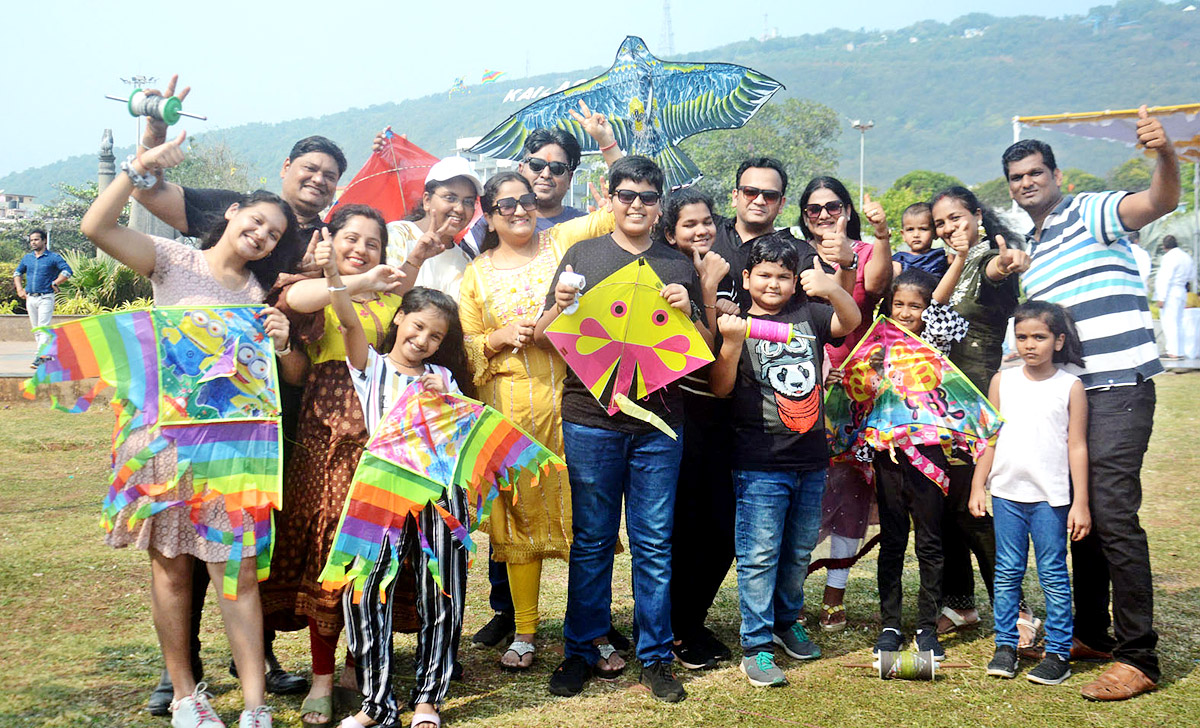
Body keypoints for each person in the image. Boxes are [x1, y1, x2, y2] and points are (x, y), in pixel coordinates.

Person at [80, 132, 306, 728]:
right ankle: (185, 696)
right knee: (172, 570)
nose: (260, 237)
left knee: (236, 573)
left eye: (272, 235)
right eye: (255, 222)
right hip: (164, 445)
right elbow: (96, 229)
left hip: (232, 459)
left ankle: (255, 706)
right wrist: (138, 168)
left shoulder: (260, 296)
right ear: (231, 214)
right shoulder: (171, 260)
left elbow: (275, 377)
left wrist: (281, 344)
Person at [132, 75, 342, 711]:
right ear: (285, 169)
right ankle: (182, 674)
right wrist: (154, 135)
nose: (319, 181)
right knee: (183, 550)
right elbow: (154, 191)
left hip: (272, 413)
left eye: (330, 175)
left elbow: (341, 292)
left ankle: (259, 661)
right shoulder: (233, 208)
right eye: (310, 169)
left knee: (246, 552)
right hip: (194, 413)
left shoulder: (325, 239)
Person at [1004, 107, 1179, 701]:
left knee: (1111, 513)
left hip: (1120, 386)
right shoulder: (1032, 248)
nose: (1026, 183)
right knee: (1079, 511)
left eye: (1035, 172)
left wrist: (1164, 154)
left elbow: (1155, 203)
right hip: (1071, 398)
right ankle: (1090, 633)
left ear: (1058, 176)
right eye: (1016, 177)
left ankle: (1140, 656)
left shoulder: (1092, 211)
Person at [536, 155, 707, 702]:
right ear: (608, 198)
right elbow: (544, 334)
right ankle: (580, 649)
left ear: (660, 205)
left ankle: (654, 657)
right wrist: (560, 306)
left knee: (655, 543)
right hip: (591, 419)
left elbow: (702, 346)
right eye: (626, 194)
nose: (637, 204)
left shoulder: (677, 263)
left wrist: (689, 310)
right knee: (593, 539)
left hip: (660, 424)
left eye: (648, 196)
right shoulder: (583, 254)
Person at [258, 205, 415, 725]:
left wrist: (414, 257)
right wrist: (351, 277)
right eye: (352, 238)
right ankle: (322, 676)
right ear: (332, 241)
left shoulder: (393, 300)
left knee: (372, 547)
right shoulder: (312, 289)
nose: (361, 249)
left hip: (381, 429)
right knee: (326, 549)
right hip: (326, 431)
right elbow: (297, 299)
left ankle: (358, 662)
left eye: (373, 242)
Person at [457, 171, 615, 671]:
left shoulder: (560, 242)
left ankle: (594, 627)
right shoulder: (476, 274)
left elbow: (616, 213)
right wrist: (498, 337)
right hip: (509, 409)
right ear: (489, 212)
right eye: (506, 205)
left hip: (573, 400)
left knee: (588, 517)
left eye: (526, 201)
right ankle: (525, 631)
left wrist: (608, 146)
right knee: (520, 515)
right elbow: (466, 347)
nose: (520, 210)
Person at [325, 268, 472, 728]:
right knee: (366, 594)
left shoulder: (445, 377)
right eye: (418, 326)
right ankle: (376, 704)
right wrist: (334, 275)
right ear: (400, 317)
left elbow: (463, 435)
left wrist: (446, 400)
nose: (424, 339)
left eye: (436, 335)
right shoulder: (371, 366)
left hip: (439, 496)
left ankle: (428, 699)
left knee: (442, 595)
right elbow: (348, 322)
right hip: (380, 495)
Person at [709, 235, 859, 687]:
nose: (773, 284)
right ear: (747, 278)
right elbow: (720, 388)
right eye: (765, 275)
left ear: (796, 282)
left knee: (797, 551)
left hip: (811, 459)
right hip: (758, 463)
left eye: (784, 276)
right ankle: (756, 644)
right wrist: (731, 343)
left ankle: (785, 621)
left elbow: (849, 321)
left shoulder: (809, 314)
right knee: (758, 554)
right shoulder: (734, 323)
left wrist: (832, 287)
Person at [928, 186, 1036, 645]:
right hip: (945, 402)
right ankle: (959, 603)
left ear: (976, 215)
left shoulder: (990, 256)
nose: (950, 228)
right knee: (945, 506)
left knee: (978, 510)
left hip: (982, 402)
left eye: (956, 218)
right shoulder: (951, 264)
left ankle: (1016, 608)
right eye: (941, 224)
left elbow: (1000, 270)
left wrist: (1008, 263)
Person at [842, 269, 965, 663]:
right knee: (893, 541)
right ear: (888, 305)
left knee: (930, 542)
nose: (908, 312)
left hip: (928, 453)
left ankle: (927, 628)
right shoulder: (877, 346)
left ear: (928, 310)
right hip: (887, 455)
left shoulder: (935, 342)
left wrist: (960, 258)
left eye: (917, 305)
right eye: (900, 304)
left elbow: (943, 313)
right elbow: (860, 388)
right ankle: (891, 625)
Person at [790, 178, 892, 631]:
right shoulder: (793, 256)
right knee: (802, 491)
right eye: (813, 209)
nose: (824, 215)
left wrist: (862, 251)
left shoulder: (868, 252)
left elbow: (876, 288)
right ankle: (788, 593)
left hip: (857, 387)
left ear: (847, 209)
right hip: (804, 381)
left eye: (833, 206)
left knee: (851, 490)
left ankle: (835, 594)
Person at [971, 301, 1091, 685]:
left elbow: (1077, 446)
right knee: (1006, 573)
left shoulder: (1070, 386)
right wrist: (978, 484)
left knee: (1053, 575)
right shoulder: (1002, 381)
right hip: (1006, 494)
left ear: (1058, 340)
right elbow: (989, 437)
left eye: (1039, 337)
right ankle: (1005, 646)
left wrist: (1082, 503)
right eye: (1022, 337)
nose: (1029, 345)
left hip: (1051, 500)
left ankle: (1057, 653)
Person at [654, 188, 739, 669]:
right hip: (677, 416)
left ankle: (687, 620)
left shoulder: (722, 269)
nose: (701, 230)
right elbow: (698, 354)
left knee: (720, 529)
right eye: (689, 224)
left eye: (707, 221)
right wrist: (705, 292)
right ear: (669, 232)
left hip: (723, 419)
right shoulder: (666, 276)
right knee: (683, 529)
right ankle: (677, 629)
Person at [459, 101, 626, 259]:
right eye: (537, 165)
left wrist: (606, 142)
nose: (546, 174)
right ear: (521, 169)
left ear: (570, 179)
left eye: (557, 169)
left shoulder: (581, 226)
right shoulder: (500, 218)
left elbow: (633, 192)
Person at [708, 158, 852, 312]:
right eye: (750, 192)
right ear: (735, 196)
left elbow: (838, 292)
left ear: (781, 203)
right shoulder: (707, 230)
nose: (759, 201)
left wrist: (848, 264)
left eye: (770, 196)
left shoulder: (797, 251)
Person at [383, 157, 482, 299]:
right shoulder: (397, 235)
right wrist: (416, 260)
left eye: (468, 201)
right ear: (427, 201)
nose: (460, 209)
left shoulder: (466, 260)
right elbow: (385, 298)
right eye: (450, 198)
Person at [14, 228, 72, 367]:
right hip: (31, 297)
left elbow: (67, 271)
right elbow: (17, 273)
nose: (33, 243)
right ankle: (45, 354)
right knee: (36, 328)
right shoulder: (28, 258)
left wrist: (56, 282)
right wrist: (19, 289)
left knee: (43, 326)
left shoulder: (53, 257)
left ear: (44, 240)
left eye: (36, 240)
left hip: (45, 297)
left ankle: (40, 356)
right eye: (31, 240)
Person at [1154, 234, 1195, 360]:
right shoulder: (1186, 257)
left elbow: (1164, 279)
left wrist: (1161, 297)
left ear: (1165, 246)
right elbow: (1192, 276)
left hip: (1170, 293)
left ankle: (1172, 351)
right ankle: (1180, 351)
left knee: (1169, 323)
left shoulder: (1169, 257)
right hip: (1181, 291)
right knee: (1178, 323)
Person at [891, 202, 949, 279]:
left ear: (935, 233)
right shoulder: (899, 259)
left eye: (923, 229)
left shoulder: (940, 257)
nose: (916, 235)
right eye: (910, 229)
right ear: (903, 235)